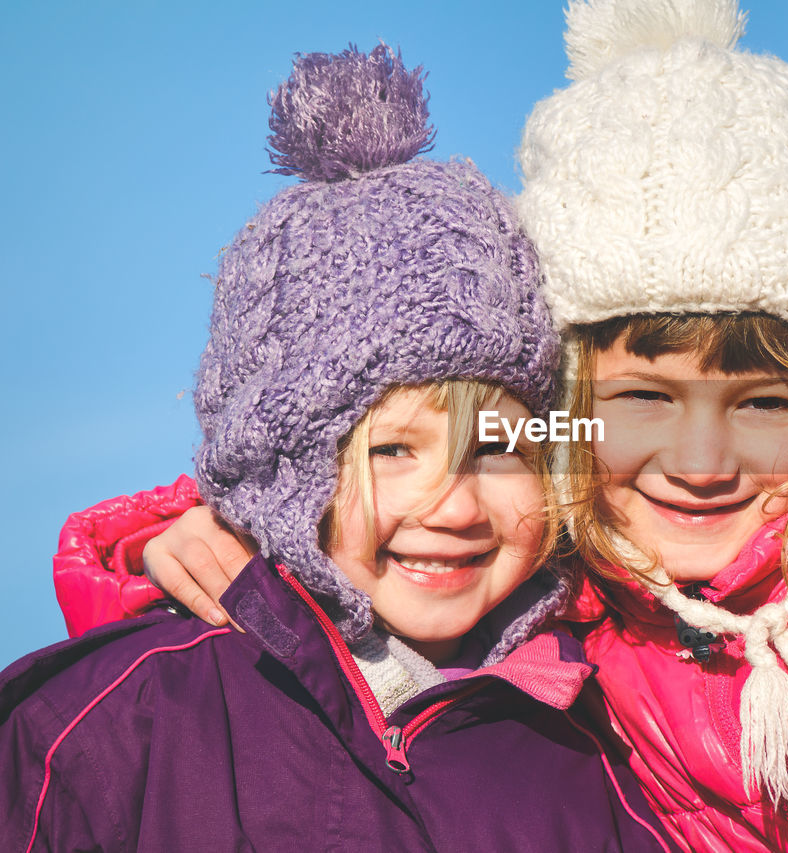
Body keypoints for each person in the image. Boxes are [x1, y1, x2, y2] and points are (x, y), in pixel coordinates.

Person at [44, 3, 788, 851]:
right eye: (640, 403)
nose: (698, 458)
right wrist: (183, 528)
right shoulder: (599, 595)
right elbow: (416, 500)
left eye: (759, 407)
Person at [0, 44, 671, 853]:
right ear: (289, 476)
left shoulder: (590, 761)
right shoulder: (115, 723)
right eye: (391, 451)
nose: (454, 506)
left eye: (499, 446)